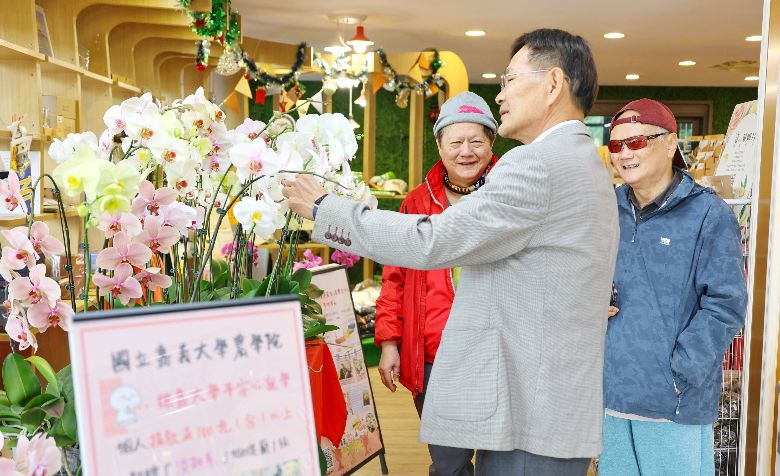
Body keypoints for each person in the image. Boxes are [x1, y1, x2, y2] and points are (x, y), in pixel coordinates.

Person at [283, 28, 619, 475]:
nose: (500, 97)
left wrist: (326, 209)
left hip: (529, 410)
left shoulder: (536, 163)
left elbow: (434, 239)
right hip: (548, 401)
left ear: (553, 84)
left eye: (509, 80)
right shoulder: (583, 160)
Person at [601, 98, 747, 475]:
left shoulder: (708, 215)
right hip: (610, 395)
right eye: (616, 145)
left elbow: (725, 305)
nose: (624, 154)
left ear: (670, 145)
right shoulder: (605, 208)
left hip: (673, 402)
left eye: (637, 142)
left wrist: (678, 372)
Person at [374, 91, 500, 476]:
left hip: (497, 353)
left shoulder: (511, 194)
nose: (466, 151)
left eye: (476, 140)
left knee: (502, 461)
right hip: (434, 354)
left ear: (492, 143)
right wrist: (391, 342)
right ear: (440, 145)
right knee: (449, 463)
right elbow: (395, 277)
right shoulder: (416, 202)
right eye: (456, 141)